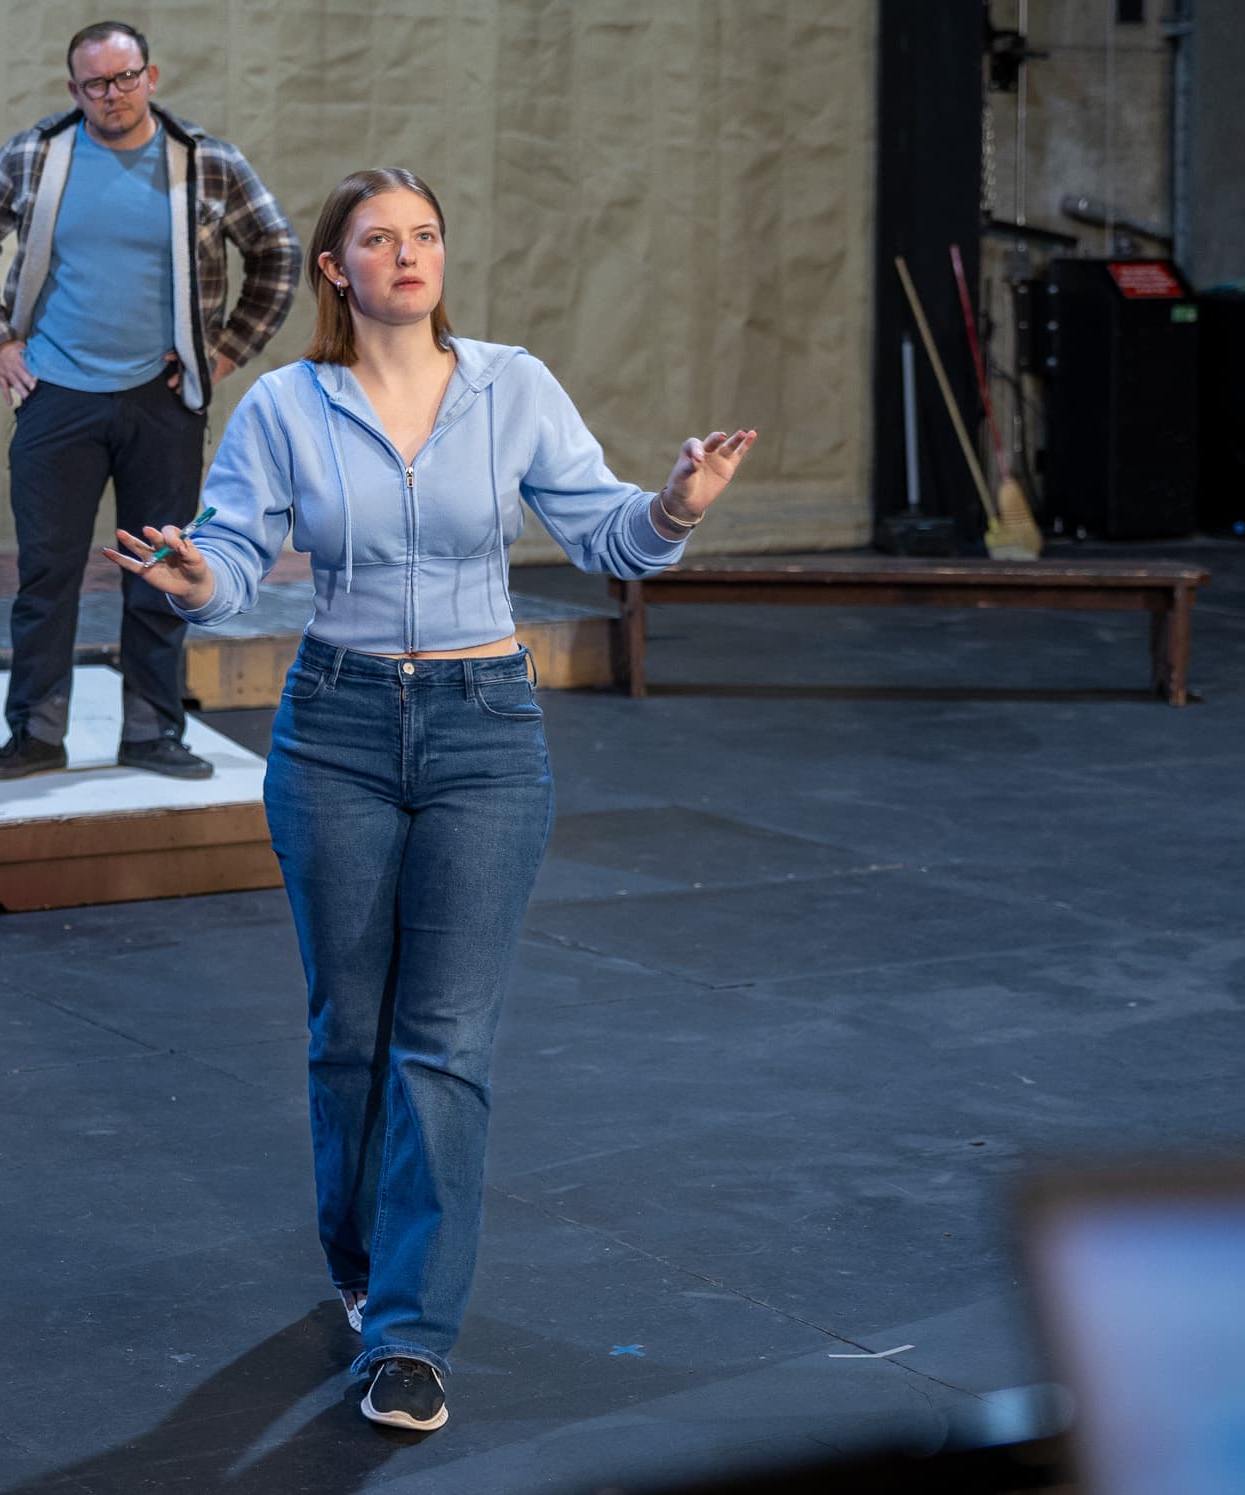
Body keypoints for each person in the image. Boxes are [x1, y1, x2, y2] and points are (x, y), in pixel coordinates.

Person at [105, 166, 757, 1433]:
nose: (408, 255)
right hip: (336, 728)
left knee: (445, 1044)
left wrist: (676, 505)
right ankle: (361, 1266)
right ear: (336, 269)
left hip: (483, 732)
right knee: (348, 1035)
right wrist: (195, 579)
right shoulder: (287, 404)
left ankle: (410, 1333)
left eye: (426, 236)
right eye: (379, 239)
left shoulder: (514, 386)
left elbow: (609, 535)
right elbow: (230, 552)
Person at [0, 19, 300, 781]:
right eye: (96, 83)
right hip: (56, 395)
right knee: (47, 574)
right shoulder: (38, 154)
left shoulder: (205, 161)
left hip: (160, 402)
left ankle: (152, 731)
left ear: (151, 76)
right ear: (74, 90)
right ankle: (35, 733)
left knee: (160, 569)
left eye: (126, 77)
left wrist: (225, 351)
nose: (113, 93)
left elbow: (278, 251)